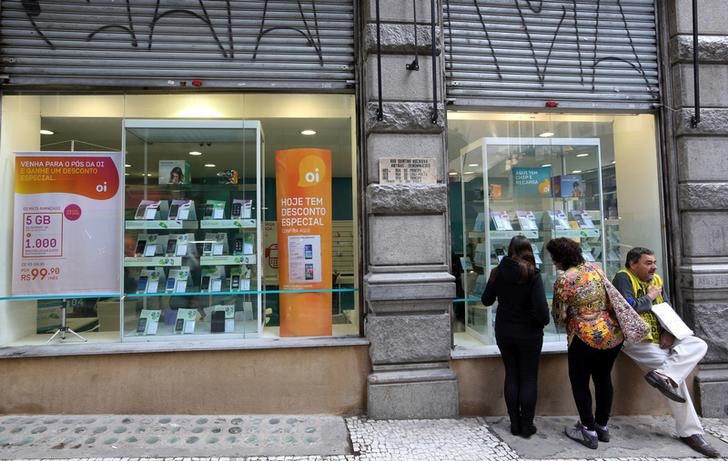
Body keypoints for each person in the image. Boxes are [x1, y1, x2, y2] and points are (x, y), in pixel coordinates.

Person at [612, 247, 719, 458]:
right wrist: (650, 297)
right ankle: (691, 433)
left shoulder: (657, 279)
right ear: (633, 264)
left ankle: (664, 375)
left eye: (654, 262)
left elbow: (667, 308)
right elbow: (626, 310)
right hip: (639, 340)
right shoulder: (623, 277)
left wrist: (668, 332)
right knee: (676, 383)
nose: (653, 267)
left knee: (698, 344)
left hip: (661, 337)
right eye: (647, 263)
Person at [546, 237, 623, 449]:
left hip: (583, 335)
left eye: (554, 258)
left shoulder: (565, 279)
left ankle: (588, 429)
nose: (553, 263)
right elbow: (609, 299)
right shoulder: (596, 269)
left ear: (560, 258)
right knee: (603, 377)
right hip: (610, 333)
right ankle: (602, 426)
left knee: (579, 381)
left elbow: (559, 315)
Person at [482, 236, 549, 438]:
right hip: (529, 333)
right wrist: (538, 321)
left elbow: (486, 300)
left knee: (512, 374)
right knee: (528, 377)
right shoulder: (533, 274)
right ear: (529, 251)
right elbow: (543, 313)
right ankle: (527, 425)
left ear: (509, 251)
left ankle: (514, 423)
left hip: (504, 331)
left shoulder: (497, 272)